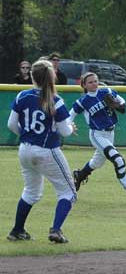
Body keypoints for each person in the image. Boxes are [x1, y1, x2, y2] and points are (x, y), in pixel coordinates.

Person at [7, 60, 77, 243]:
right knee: (68, 192)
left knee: (31, 192)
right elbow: (64, 131)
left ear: (32, 76)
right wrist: (71, 126)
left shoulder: (22, 96)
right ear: (52, 76)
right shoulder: (55, 100)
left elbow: (11, 125)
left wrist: (27, 135)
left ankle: (17, 230)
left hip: (24, 149)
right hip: (46, 150)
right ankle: (56, 230)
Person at [69, 72, 126, 200]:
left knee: (97, 162)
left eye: (96, 81)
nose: (94, 84)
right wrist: (69, 126)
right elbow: (70, 115)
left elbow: (122, 103)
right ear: (84, 85)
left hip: (110, 133)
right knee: (117, 159)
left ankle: (80, 175)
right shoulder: (83, 101)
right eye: (90, 82)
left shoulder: (106, 92)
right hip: (97, 134)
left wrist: (118, 105)